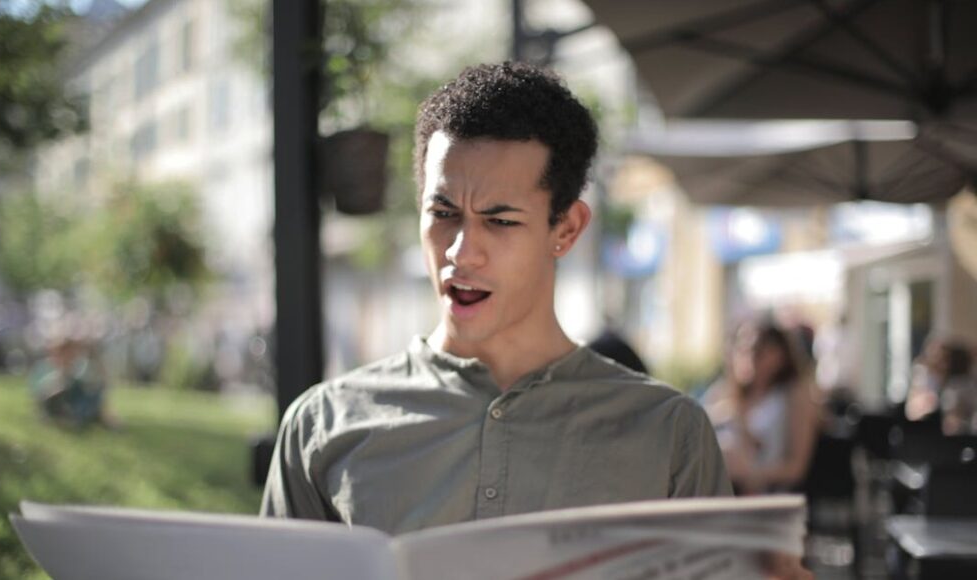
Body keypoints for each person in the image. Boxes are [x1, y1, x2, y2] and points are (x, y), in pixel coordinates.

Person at [261, 62, 810, 578]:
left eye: (499, 221)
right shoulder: (321, 426)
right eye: (443, 213)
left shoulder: (668, 433)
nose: (461, 252)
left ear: (566, 230)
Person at [703, 320, 819, 495]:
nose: (747, 357)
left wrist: (750, 475)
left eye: (757, 350)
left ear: (780, 355)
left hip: (766, 493)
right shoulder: (724, 392)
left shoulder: (794, 395)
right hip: (722, 489)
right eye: (740, 349)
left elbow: (796, 468)